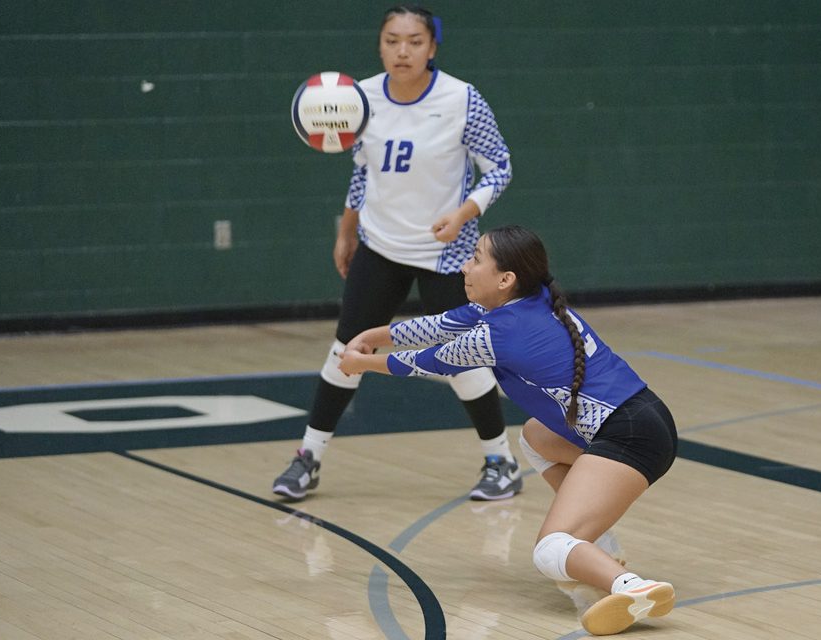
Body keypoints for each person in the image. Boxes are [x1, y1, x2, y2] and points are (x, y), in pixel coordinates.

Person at [338, 225, 678, 636]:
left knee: (549, 549)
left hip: (629, 435)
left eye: (476, 258)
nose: (465, 267)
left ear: (505, 279)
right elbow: (439, 325)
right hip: (646, 417)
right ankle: (600, 550)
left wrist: (361, 362)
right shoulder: (521, 303)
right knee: (535, 437)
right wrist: (372, 335)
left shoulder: (501, 334)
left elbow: (426, 361)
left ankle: (632, 587)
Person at [272, 4, 520, 502]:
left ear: (432, 47)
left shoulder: (461, 99)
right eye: (391, 40)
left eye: (413, 41)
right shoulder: (356, 97)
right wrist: (347, 231)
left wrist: (464, 213)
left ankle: (501, 461)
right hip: (380, 245)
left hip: (447, 252)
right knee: (348, 349)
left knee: (463, 356)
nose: (401, 51)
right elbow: (362, 171)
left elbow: (499, 167)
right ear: (380, 44)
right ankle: (308, 458)